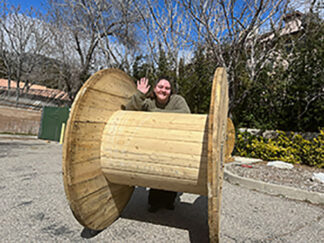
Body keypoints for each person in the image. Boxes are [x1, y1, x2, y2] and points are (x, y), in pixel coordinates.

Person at [125, 76, 190, 212]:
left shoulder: (178, 100)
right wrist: (139, 94)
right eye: (160, 87)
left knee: (171, 172)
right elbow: (129, 110)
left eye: (167, 88)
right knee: (156, 171)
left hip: (173, 142)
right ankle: (154, 203)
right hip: (152, 143)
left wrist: (154, 114)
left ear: (171, 91)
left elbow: (185, 114)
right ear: (154, 89)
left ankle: (169, 201)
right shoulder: (148, 102)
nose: (163, 90)